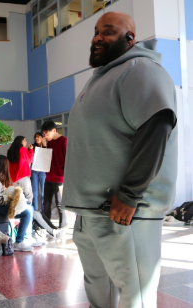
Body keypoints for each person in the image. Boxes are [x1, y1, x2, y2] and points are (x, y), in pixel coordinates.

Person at [62, 12, 177, 308]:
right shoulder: (101, 77)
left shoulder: (140, 69)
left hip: (125, 213)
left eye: (108, 32)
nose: (97, 37)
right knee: (100, 294)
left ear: (130, 39)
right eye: (97, 31)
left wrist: (130, 194)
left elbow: (156, 128)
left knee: (133, 296)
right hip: (91, 212)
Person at [0, 155, 34, 252]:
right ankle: (19, 241)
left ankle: (24, 238)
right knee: (27, 212)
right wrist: (12, 199)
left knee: (27, 207)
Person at [41, 121, 67, 228]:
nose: (46, 137)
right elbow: (45, 159)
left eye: (47, 134)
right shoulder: (49, 142)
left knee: (59, 204)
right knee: (46, 205)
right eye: (44, 135)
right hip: (48, 177)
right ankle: (47, 228)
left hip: (59, 178)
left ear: (54, 130)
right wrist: (43, 146)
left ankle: (62, 227)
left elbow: (67, 160)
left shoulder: (63, 141)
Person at [7, 136, 34, 203]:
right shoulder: (23, 149)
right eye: (24, 140)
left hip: (13, 179)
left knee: (16, 198)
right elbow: (30, 160)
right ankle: (27, 212)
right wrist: (31, 150)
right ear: (20, 142)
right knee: (28, 197)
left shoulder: (10, 151)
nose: (26, 142)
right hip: (23, 177)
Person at [31, 132, 47, 212]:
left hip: (43, 170)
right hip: (34, 170)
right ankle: (36, 211)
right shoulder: (32, 147)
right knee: (34, 192)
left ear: (42, 137)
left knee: (43, 192)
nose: (36, 138)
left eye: (38, 137)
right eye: (35, 137)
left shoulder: (45, 146)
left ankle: (43, 211)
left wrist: (44, 144)